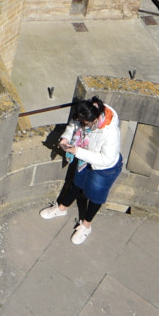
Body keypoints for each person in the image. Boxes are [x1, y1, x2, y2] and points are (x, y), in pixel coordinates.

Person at [39, 96, 124, 245]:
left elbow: (107, 159)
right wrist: (65, 138)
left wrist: (77, 151)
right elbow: (73, 126)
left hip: (104, 168)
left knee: (95, 197)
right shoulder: (86, 113)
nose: (83, 127)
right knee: (77, 184)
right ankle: (61, 208)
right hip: (85, 156)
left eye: (86, 124)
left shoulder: (110, 132)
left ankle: (86, 225)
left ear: (96, 118)